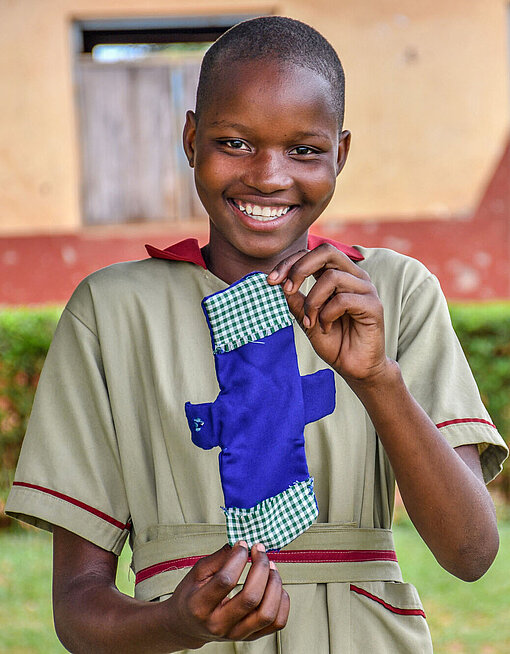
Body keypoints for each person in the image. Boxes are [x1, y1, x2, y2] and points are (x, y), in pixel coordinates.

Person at [5, 16, 508, 654]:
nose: (268, 176)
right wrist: (175, 623)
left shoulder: (395, 292)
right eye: (235, 142)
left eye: (303, 149)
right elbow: (77, 607)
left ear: (341, 154)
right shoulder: (110, 311)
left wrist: (378, 380)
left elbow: (470, 552)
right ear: (190, 138)